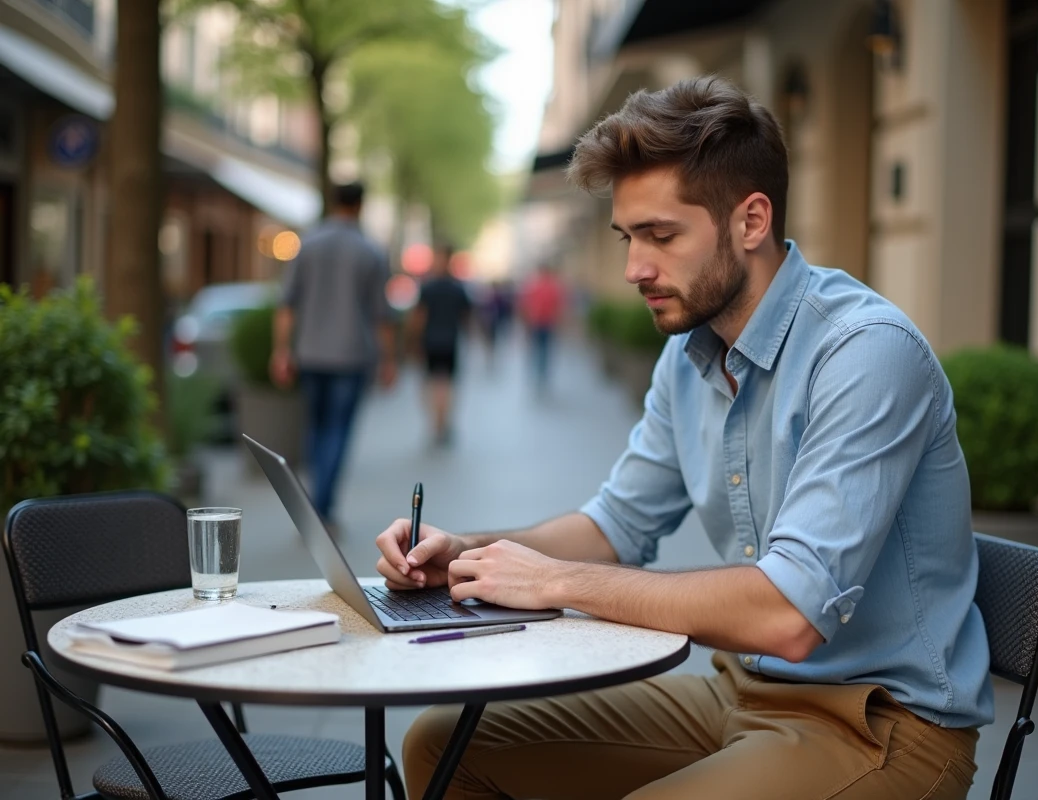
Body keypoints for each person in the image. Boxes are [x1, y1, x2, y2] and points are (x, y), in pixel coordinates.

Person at [376, 77, 992, 799]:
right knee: (446, 744)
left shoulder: (863, 352)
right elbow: (616, 525)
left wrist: (556, 584)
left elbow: (789, 615)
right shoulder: (690, 353)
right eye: (628, 237)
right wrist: (467, 555)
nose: (636, 268)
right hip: (739, 695)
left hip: (882, 726)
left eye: (661, 236)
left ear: (751, 221)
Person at [271, 181, 396, 528]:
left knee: (315, 427)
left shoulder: (307, 245)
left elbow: (286, 305)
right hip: (352, 356)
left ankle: (315, 501)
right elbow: (381, 315)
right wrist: (388, 360)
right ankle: (322, 506)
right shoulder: (370, 250)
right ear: (360, 205)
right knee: (338, 430)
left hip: (310, 354)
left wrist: (281, 351)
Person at [408, 243, 471, 445]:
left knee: (432, 384)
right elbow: (466, 317)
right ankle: (443, 423)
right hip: (450, 341)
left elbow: (419, 318)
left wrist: (414, 342)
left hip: (431, 341)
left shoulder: (428, 287)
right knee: (446, 385)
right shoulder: (458, 288)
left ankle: (436, 423)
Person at [519, 263, 567, 392]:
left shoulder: (532, 286)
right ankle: (542, 376)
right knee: (545, 351)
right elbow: (559, 307)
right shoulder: (554, 287)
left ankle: (536, 376)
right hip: (547, 323)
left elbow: (524, 306)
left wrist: (525, 323)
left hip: (536, 323)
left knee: (536, 350)